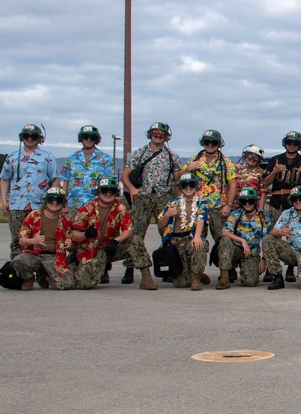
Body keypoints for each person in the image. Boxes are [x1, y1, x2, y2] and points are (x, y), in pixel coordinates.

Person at [121, 121, 181, 284]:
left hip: (163, 197)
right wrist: (132, 189)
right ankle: (130, 268)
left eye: (161, 134)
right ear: (150, 134)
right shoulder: (139, 153)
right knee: (136, 234)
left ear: (166, 136)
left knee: (167, 233)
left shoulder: (172, 156)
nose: (158, 136)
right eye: (155, 133)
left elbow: (177, 181)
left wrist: (179, 200)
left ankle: (168, 267)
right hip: (142, 197)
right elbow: (125, 176)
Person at [72, 177, 154, 290]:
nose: (108, 194)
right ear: (98, 192)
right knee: (85, 283)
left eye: (112, 191)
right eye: (104, 190)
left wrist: (116, 241)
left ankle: (146, 278)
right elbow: (74, 235)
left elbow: (128, 230)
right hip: (91, 250)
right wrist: (85, 234)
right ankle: (89, 266)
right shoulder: (86, 209)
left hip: (110, 247)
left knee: (135, 240)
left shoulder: (120, 207)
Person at [0, 124, 59, 260]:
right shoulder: (13, 157)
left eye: (34, 136)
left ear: (39, 139)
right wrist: (4, 200)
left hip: (40, 206)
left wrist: (52, 201)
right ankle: (18, 273)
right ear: (22, 138)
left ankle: (41, 272)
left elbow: (54, 179)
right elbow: (4, 179)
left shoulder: (47, 157)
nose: (30, 139)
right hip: (17, 205)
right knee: (17, 240)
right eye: (27, 136)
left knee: (42, 240)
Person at [261, 130, 301, 283]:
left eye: (295, 143)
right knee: (273, 233)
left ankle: (291, 269)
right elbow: (265, 183)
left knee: (294, 234)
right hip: (277, 200)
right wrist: (274, 172)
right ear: (285, 144)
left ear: (299, 145)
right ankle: (271, 269)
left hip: (295, 202)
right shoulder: (275, 160)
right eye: (289, 143)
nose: (291, 145)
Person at [10, 186, 76, 291]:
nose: (54, 203)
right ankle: (28, 278)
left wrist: (70, 244)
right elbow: (21, 241)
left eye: (59, 200)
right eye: (51, 200)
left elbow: (71, 247)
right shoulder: (34, 215)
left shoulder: (66, 221)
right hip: (33, 254)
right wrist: (33, 241)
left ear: (63, 203)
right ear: (45, 201)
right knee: (19, 261)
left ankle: (44, 275)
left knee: (68, 284)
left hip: (54, 257)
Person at [181, 129, 239, 248]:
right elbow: (180, 178)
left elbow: (233, 184)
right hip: (197, 207)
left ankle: (226, 266)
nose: (210, 145)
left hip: (219, 208)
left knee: (224, 242)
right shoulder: (194, 159)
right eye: (207, 142)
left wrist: (229, 204)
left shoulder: (226, 162)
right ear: (203, 143)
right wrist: (188, 169)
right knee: (195, 241)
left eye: (214, 142)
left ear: (219, 144)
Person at [157, 173, 210, 290]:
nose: (188, 188)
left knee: (199, 246)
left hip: (191, 237)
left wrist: (197, 237)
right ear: (180, 188)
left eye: (191, 185)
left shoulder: (202, 203)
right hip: (176, 241)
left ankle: (196, 278)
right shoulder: (172, 203)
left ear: (196, 186)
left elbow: (201, 219)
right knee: (180, 283)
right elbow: (160, 225)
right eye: (185, 185)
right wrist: (167, 215)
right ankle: (197, 274)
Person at [216, 187, 270, 289]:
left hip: (252, 253)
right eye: (244, 202)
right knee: (225, 241)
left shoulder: (263, 217)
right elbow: (224, 232)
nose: (247, 204)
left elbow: (267, 240)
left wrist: (264, 259)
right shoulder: (236, 213)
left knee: (250, 282)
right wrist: (242, 241)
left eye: (250, 201)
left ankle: (245, 270)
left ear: (255, 201)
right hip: (236, 250)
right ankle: (224, 277)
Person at [59, 125, 115, 213]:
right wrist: (62, 202)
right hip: (73, 206)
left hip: (97, 208)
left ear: (96, 139)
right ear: (81, 138)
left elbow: (111, 184)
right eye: (86, 137)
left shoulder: (106, 159)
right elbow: (66, 181)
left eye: (92, 137)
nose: (89, 140)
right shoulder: (71, 159)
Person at [234, 145, 268, 211]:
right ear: (246, 156)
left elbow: (264, 191)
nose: (252, 159)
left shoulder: (262, 173)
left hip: (253, 205)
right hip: (237, 205)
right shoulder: (239, 169)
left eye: (256, 158)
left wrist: (260, 209)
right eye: (251, 156)